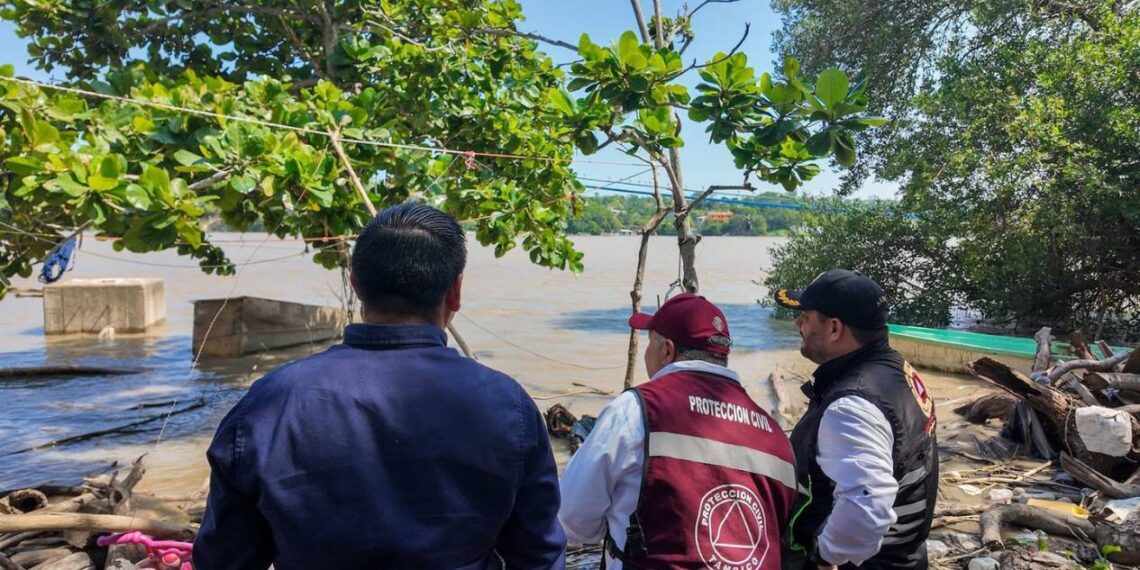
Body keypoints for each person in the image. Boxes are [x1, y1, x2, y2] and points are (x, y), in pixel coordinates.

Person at [193, 203, 566, 570]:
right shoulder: (507, 406)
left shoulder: (269, 403)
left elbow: (223, 558)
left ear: (356, 285)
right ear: (455, 292)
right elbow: (539, 555)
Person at [560, 293, 796, 570]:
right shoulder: (774, 435)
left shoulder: (636, 410)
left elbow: (572, 516)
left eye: (650, 342)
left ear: (666, 350)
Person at [773, 269, 938, 570]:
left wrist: (826, 556)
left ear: (834, 328)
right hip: (906, 555)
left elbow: (868, 504)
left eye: (806, 317)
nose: (798, 324)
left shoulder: (851, 406)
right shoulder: (895, 369)